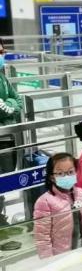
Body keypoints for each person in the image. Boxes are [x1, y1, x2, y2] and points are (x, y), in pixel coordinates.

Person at [33, 153, 82, 259]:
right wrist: (50, 262)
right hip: (62, 258)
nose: (66, 176)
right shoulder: (44, 202)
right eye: (60, 173)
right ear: (52, 177)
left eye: (70, 172)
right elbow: (42, 239)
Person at [0, 39, 23, 226]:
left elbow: (18, 101)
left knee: (6, 176)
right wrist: (10, 106)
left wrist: (10, 104)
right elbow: (5, 110)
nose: (2, 56)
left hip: (7, 137)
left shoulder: (3, 77)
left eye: (2, 52)